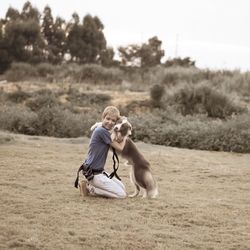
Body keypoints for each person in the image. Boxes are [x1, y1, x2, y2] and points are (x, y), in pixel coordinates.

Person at [80, 106, 127, 198]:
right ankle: (90, 188)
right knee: (121, 195)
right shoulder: (101, 131)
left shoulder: (102, 129)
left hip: (100, 171)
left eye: (113, 121)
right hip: (94, 174)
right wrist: (126, 132)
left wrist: (121, 123)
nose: (110, 122)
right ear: (103, 118)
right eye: (107, 119)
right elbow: (120, 147)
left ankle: (91, 185)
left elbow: (116, 137)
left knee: (122, 187)